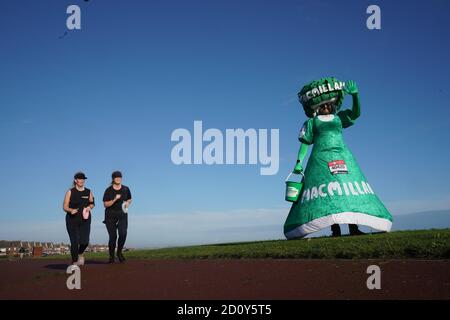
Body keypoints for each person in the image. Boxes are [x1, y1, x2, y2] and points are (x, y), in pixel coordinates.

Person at [283, 78, 393, 239]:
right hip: (320, 160)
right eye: (322, 105)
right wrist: (298, 162)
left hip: (343, 156)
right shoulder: (311, 122)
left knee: (347, 192)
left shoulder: (338, 118)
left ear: (333, 105)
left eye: (328, 105)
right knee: (329, 195)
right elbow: (305, 143)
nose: (325, 107)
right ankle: (335, 230)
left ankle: (354, 228)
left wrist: (355, 96)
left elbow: (356, 114)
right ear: (317, 108)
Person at [63, 172, 94, 265]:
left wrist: (90, 207)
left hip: (85, 219)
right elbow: (64, 206)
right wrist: (70, 210)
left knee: (85, 242)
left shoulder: (88, 191)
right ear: (75, 180)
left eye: (83, 179)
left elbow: (92, 203)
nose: (81, 181)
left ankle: (80, 254)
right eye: (79, 179)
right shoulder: (70, 192)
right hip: (72, 219)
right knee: (75, 241)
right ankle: (74, 261)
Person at [103, 171, 132, 263]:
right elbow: (105, 204)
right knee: (113, 237)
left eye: (120, 177)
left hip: (122, 214)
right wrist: (115, 199)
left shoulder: (126, 189)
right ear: (113, 179)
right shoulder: (108, 190)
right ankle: (111, 257)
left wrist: (128, 203)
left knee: (123, 233)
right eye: (116, 177)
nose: (118, 179)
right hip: (110, 215)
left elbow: (130, 199)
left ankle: (119, 253)